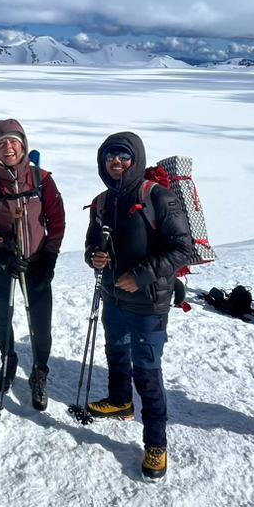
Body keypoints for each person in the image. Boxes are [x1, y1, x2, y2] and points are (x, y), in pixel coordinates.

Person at [82, 132, 192, 482]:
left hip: (149, 301)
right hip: (114, 295)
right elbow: (90, 245)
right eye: (110, 156)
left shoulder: (157, 196)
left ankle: (156, 443)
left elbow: (181, 248)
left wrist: (140, 275)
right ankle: (119, 400)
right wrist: (94, 258)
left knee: (146, 370)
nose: (117, 162)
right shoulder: (101, 202)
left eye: (124, 156)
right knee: (115, 350)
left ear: (137, 159)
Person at [0, 119, 65, 410]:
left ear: (23, 144)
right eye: (1, 144)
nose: (8, 147)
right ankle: (8, 360)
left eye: (13, 141)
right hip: (1, 263)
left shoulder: (42, 179)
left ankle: (39, 372)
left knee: (41, 323)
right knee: (4, 317)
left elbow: (57, 221)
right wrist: (0, 251)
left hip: (37, 262)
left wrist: (49, 257)